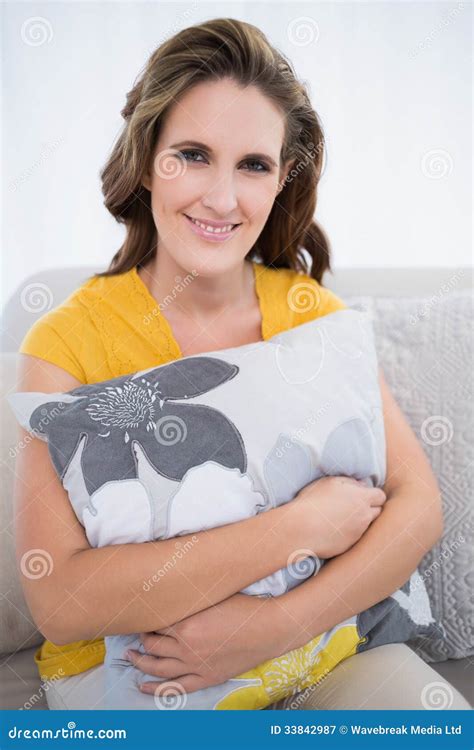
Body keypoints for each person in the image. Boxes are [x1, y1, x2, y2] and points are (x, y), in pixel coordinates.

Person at [14, 18, 470, 710]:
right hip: (134, 681)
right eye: (193, 155)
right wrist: (297, 529)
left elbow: (418, 509)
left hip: (323, 657)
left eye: (252, 165)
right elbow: (61, 599)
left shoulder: (311, 313)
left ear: (283, 178)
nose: (222, 199)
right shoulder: (67, 340)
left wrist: (273, 626)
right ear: (146, 159)